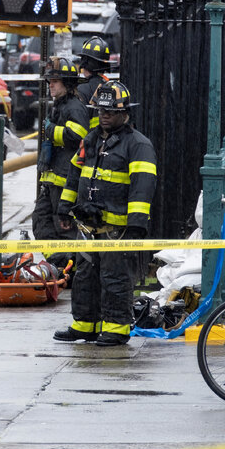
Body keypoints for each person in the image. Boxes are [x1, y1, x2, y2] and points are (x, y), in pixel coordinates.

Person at [53, 81, 157, 346]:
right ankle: (85, 325)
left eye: (110, 111)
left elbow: (142, 188)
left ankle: (116, 329)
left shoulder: (138, 145)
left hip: (117, 231)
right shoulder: (92, 139)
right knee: (85, 278)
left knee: (115, 280)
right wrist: (65, 207)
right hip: (88, 228)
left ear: (125, 113)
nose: (104, 115)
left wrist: (135, 225)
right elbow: (75, 172)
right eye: (100, 110)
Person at [32, 57, 89, 268]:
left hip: (64, 181)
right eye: (49, 81)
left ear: (67, 82)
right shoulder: (59, 106)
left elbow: (79, 135)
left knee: (63, 228)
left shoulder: (74, 107)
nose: (51, 85)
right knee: (41, 222)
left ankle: (70, 269)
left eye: (55, 81)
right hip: (51, 180)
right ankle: (58, 264)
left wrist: (50, 130)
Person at [74, 36, 111, 130]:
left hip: (89, 141)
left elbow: (78, 124)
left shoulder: (82, 90)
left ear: (85, 62)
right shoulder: (112, 87)